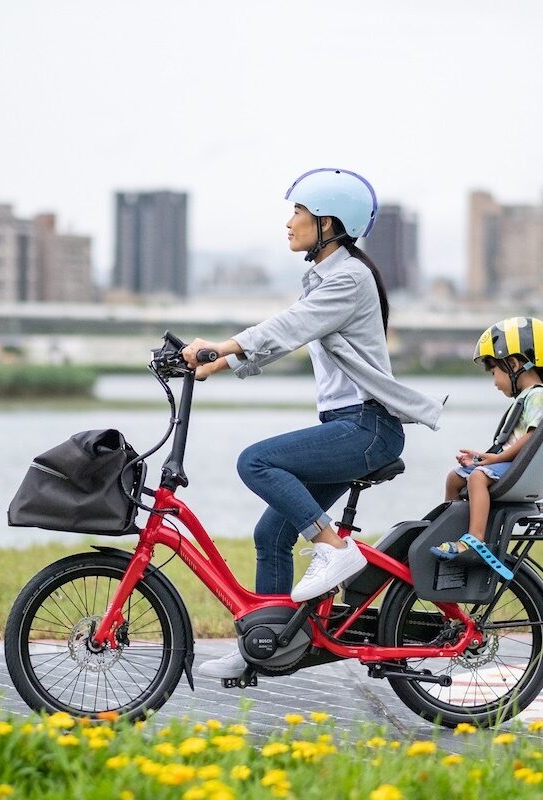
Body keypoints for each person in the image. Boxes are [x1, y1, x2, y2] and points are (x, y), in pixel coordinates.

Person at [182, 167, 444, 679]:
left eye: (298, 212)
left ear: (328, 221)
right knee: (271, 534)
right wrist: (220, 363)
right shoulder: (327, 277)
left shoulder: (348, 278)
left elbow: (289, 326)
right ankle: (268, 640)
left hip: (366, 430)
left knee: (255, 461)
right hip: (350, 427)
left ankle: (332, 548)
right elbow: (287, 335)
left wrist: (224, 345)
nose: (289, 222)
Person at [431, 316, 543, 565]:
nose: (493, 381)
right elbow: (513, 443)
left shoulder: (537, 396)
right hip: (511, 465)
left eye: (494, 371)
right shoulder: (528, 397)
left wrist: (494, 460)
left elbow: (531, 438)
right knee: (455, 477)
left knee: (478, 477)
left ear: (513, 364)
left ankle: (475, 538)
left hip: (517, 471)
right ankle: (450, 531)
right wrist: (483, 457)